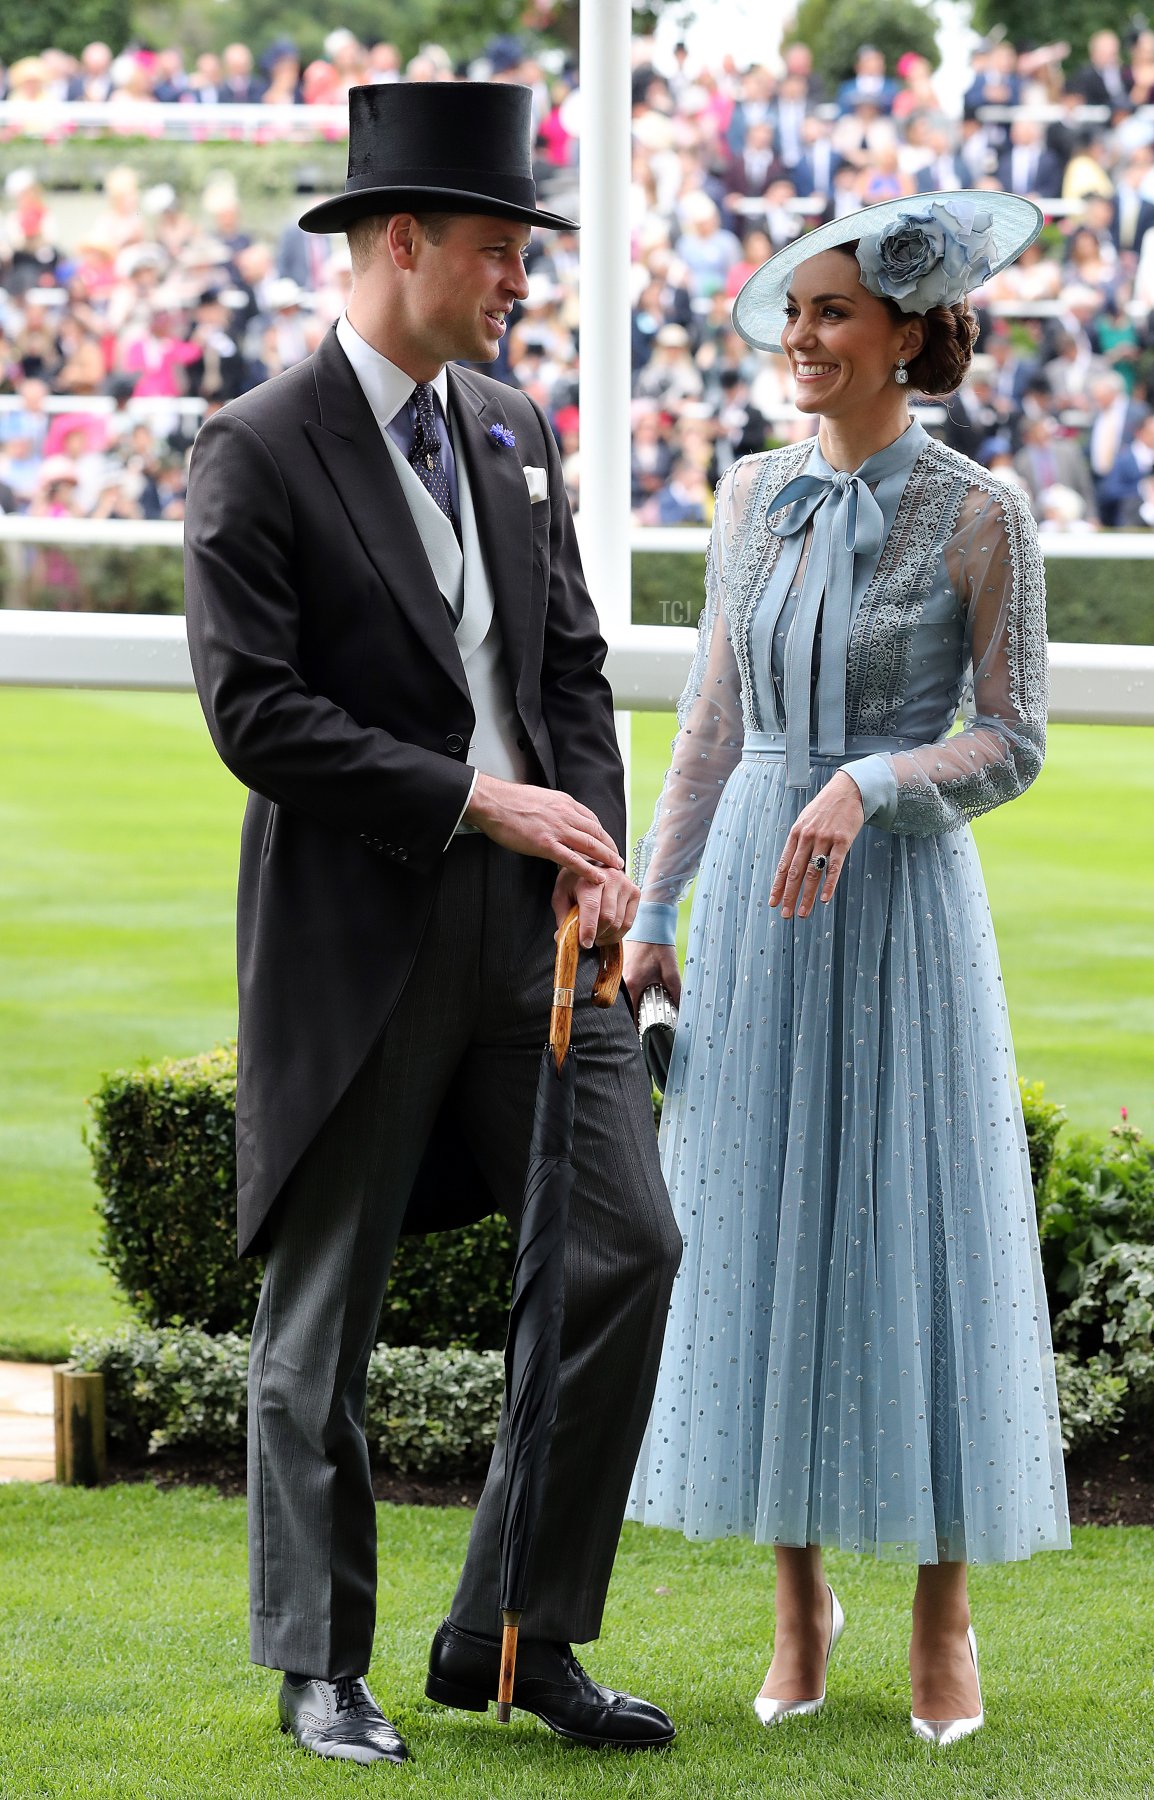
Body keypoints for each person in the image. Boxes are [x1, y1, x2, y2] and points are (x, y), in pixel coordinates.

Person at [184, 81, 680, 1767]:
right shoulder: (256, 444)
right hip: (362, 935)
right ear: (404, 243)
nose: (521, 278)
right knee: (323, 1317)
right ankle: (320, 1661)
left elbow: (570, 667)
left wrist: (592, 846)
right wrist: (480, 800)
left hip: (539, 934)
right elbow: (254, 713)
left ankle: (516, 1634)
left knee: (629, 1247)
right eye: (498, 249)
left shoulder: (516, 431)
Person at [624, 192, 1070, 1745]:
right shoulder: (747, 498)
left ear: (908, 336)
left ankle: (943, 1611)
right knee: (759, 1224)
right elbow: (706, 731)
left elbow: (1011, 744)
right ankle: (795, 1598)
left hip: (898, 905)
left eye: (829, 316)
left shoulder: (982, 513)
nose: (798, 341)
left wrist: (873, 782)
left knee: (916, 1224)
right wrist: (655, 913)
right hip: (753, 895)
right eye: (793, 316)